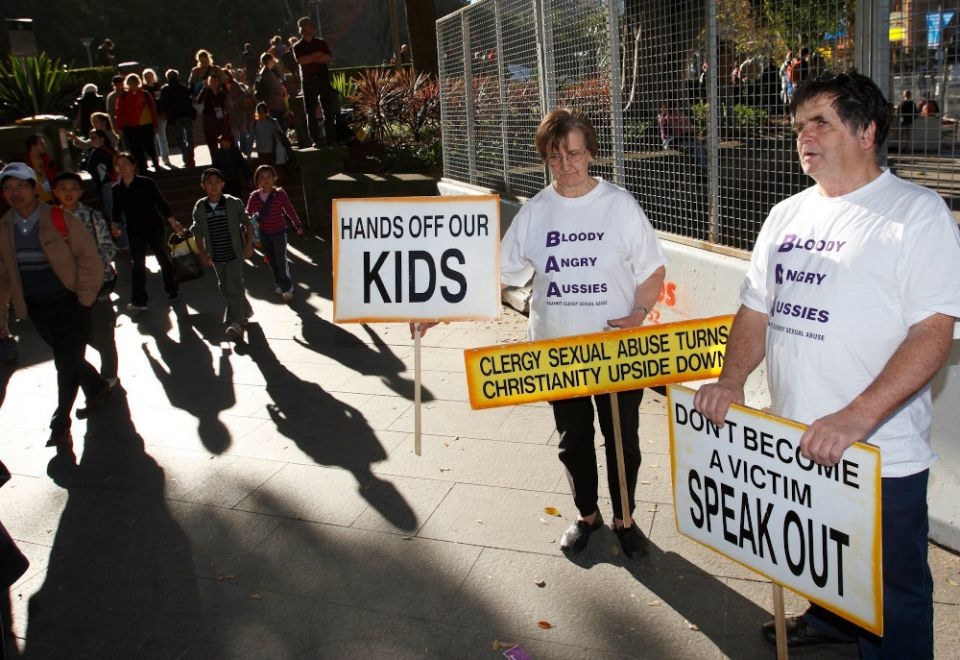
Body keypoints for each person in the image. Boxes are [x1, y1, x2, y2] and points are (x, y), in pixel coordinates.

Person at [692, 72, 960, 658]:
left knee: (895, 594)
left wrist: (856, 417)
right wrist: (732, 380)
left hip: (877, 450)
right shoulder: (786, 214)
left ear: (866, 132)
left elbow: (934, 332)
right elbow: (757, 309)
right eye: (798, 126)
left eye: (821, 122)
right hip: (792, 440)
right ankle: (833, 622)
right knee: (823, 556)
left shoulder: (916, 214)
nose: (803, 135)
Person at [415, 109, 667, 558]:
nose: (566, 164)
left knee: (622, 440)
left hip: (615, 348)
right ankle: (587, 514)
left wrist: (640, 311)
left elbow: (652, 270)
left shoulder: (619, 205)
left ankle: (625, 519)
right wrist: (439, 311)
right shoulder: (536, 212)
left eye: (573, 153)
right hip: (556, 349)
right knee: (573, 440)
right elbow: (493, 274)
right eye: (556, 156)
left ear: (590, 151)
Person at [0, 163, 110, 448]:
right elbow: (3, 278)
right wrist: (3, 317)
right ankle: (96, 386)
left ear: (33, 187)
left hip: (69, 303)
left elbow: (90, 260)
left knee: (65, 363)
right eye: (8, 188)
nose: (15, 193)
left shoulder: (60, 219)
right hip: (36, 308)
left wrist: (84, 299)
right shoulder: (4, 228)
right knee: (69, 357)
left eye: (21, 186)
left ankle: (61, 420)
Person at [52, 172, 119, 389]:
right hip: (68, 291)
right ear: (55, 192)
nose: (68, 193)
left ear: (80, 192)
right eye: (63, 188)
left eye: (73, 188)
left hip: (97, 287)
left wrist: (87, 270)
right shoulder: (49, 221)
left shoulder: (93, 217)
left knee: (104, 335)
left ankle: (108, 378)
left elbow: (108, 249)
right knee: (81, 337)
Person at [111, 153, 184, 311]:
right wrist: (115, 225)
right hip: (134, 230)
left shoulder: (146, 183)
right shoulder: (116, 189)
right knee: (137, 264)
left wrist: (172, 221)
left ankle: (172, 288)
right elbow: (116, 209)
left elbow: (160, 202)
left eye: (125, 163)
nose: (122, 167)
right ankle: (139, 301)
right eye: (119, 164)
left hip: (154, 227)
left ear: (133, 166)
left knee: (163, 258)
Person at [190, 168, 254, 341]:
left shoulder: (233, 203)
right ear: (203, 186)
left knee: (234, 287)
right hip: (216, 254)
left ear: (223, 184)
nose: (214, 186)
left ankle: (236, 323)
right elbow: (197, 232)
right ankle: (245, 309)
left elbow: (248, 224)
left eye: (217, 182)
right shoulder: (200, 207)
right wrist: (202, 253)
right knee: (225, 287)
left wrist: (249, 246)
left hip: (234, 253)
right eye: (209, 183)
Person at [245, 164, 303, 302]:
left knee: (281, 260)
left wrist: (297, 224)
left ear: (274, 178)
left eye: (269, 177)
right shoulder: (254, 196)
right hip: (264, 234)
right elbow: (248, 213)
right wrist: (248, 226)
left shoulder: (279, 194)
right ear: (257, 180)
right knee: (271, 261)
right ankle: (279, 282)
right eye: (262, 178)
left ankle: (286, 288)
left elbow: (289, 209)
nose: (266, 180)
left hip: (279, 233)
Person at [293, 16, 342, 147]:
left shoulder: (321, 43)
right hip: (308, 81)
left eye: (313, 26)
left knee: (328, 110)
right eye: (309, 26)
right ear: (302, 29)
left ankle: (331, 139)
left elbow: (328, 57)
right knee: (310, 111)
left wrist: (311, 58)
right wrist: (316, 55)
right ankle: (316, 140)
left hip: (323, 78)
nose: (312, 28)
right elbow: (301, 60)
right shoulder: (297, 46)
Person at [114, 73, 160, 172]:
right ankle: (142, 167)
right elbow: (120, 112)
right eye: (131, 83)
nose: (133, 85)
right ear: (128, 84)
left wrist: (155, 124)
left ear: (138, 83)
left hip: (145, 124)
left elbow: (152, 110)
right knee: (135, 148)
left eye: (134, 83)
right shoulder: (124, 96)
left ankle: (155, 163)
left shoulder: (145, 94)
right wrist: (119, 127)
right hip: (130, 126)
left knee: (149, 146)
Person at [160, 69, 197, 168]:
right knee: (190, 137)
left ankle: (185, 157)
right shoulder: (184, 88)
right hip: (187, 115)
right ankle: (191, 157)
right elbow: (189, 102)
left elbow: (164, 104)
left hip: (175, 117)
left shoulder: (165, 89)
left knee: (180, 138)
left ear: (167, 77)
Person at [82, 129, 118, 223]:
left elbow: (89, 168)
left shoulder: (97, 151)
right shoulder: (112, 149)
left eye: (94, 138)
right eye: (90, 138)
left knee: (113, 215)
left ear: (102, 139)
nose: (91, 141)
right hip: (118, 181)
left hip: (107, 184)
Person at [142, 69, 172, 167]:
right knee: (151, 139)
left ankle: (165, 158)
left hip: (159, 114)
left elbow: (162, 101)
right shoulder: (143, 89)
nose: (148, 77)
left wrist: (164, 113)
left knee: (162, 137)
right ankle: (155, 160)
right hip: (149, 116)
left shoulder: (158, 87)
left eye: (150, 75)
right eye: (146, 76)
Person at [196, 74, 230, 156]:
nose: (213, 83)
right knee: (211, 141)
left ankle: (224, 157)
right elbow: (199, 100)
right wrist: (204, 89)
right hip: (209, 119)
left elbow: (226, 105)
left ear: (218, 82)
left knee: (224, 140)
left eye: (215, 81)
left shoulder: (222, 93)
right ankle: (215, 159)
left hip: (220, 119)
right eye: (211, 81)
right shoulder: (206, 91)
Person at [255, 52, 289, 132]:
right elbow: (274, 88)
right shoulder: (267, 73)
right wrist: (282, 90)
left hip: (273, 102)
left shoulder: (264, 72)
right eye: (272, 59)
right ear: (269, 60)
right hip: (275, 103)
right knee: (281, 124)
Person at [210, 133, 251, 199]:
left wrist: (248, 177)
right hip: (223, 182)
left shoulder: (235, 152)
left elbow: (243, 165)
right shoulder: (218, 153)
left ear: (229, 142)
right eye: (221, 142)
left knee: (237, 198)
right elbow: (214, 168)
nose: (222, 143)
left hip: (234, 180)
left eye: (223, 141)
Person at [21, 135, 58, 203]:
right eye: (42, 143)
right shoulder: (24, 163)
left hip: (51, 199)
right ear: (33, 146)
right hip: (34, 201)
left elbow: (55, 178)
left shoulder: (48, 160)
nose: (45, 146)